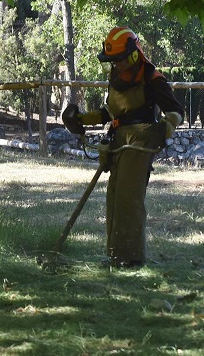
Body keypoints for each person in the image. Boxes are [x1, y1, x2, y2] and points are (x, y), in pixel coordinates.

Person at [61, 26, 184, 268]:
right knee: (115, 196)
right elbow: (111, 112)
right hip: (118, 139)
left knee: (129, 197)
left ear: (134, 54)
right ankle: (116, 255)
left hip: (141, 140)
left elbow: (176, 111)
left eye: (119, 59)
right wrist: (82, 119)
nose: (116, 65)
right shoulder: (116, 77)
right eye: (112, 61)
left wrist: (165, 128)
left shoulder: (152, 78)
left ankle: (131, 259)